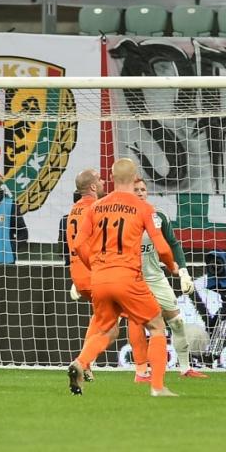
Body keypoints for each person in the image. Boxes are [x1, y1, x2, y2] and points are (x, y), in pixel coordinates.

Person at [68, 158, 178, 397]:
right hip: (128, 277)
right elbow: (163, 248)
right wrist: (173, 266)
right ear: (135, 175)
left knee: (107, 330)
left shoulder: (96, 207)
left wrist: (94, 266)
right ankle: (158, 387)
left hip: (100, 279)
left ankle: (81, 361)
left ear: (112, 177)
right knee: (157, 325)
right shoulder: (143, 207)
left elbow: (77, 244)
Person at [132, 177, 207, 380]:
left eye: (142, 189)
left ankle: (185, 368)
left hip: (155, 277)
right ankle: (140, 370)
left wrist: (183, 271)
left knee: (177, 322)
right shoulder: (121, 218)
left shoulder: (158, 217)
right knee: (128, 324)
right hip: (130, 279)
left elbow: (173, 244)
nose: (140, 192)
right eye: (135, 189)